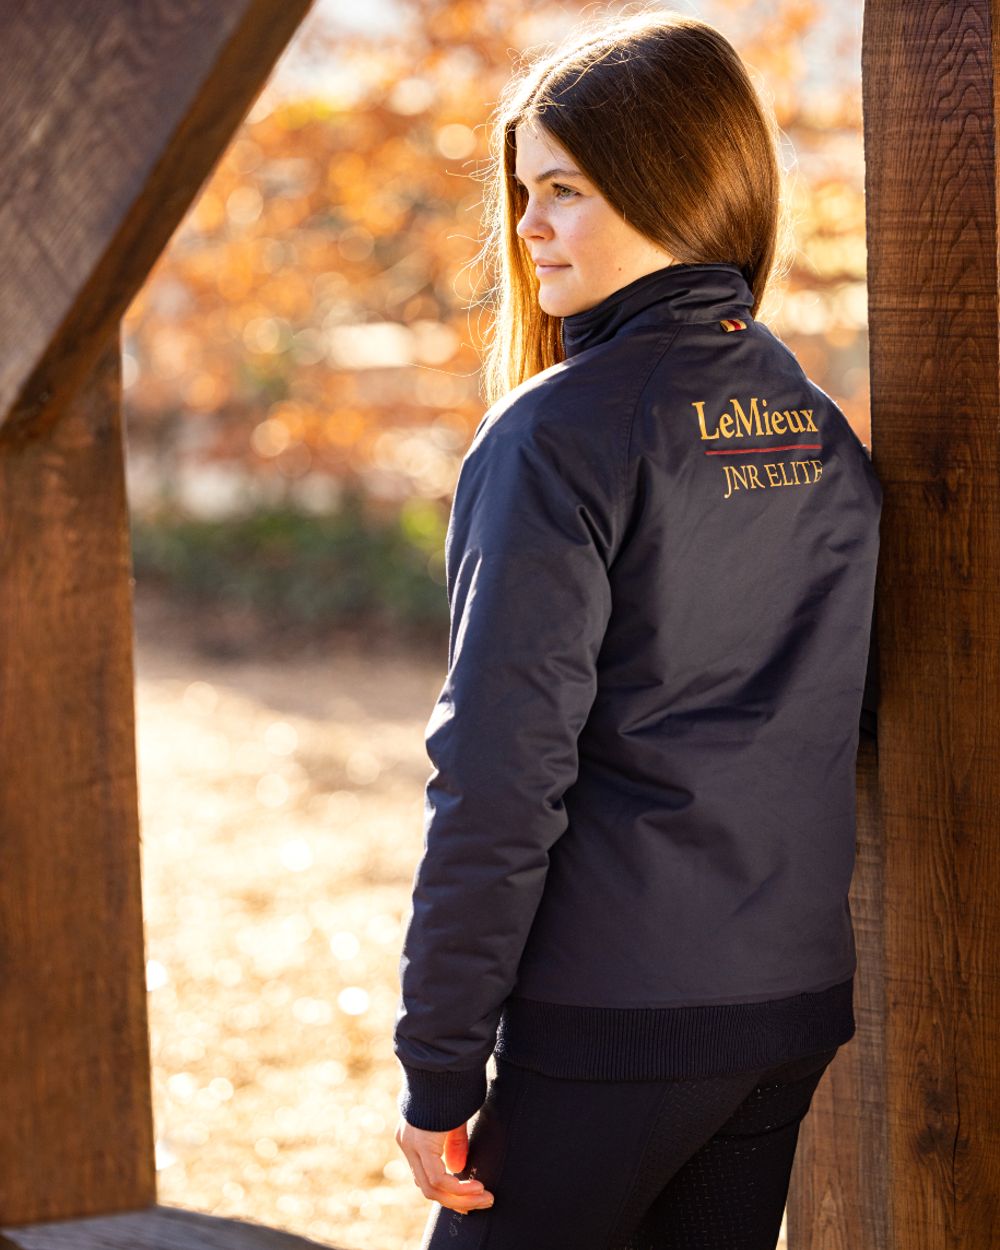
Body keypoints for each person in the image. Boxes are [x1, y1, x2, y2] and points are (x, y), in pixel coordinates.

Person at [392, 7, 882, 1249]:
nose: (527, 227)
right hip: (783, 1013)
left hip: (609, 1022)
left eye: (562, 188)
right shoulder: (814, 426)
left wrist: (437, 1066)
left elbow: (498, 776)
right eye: (523, 191)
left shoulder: (556, 434)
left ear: (665, 182)